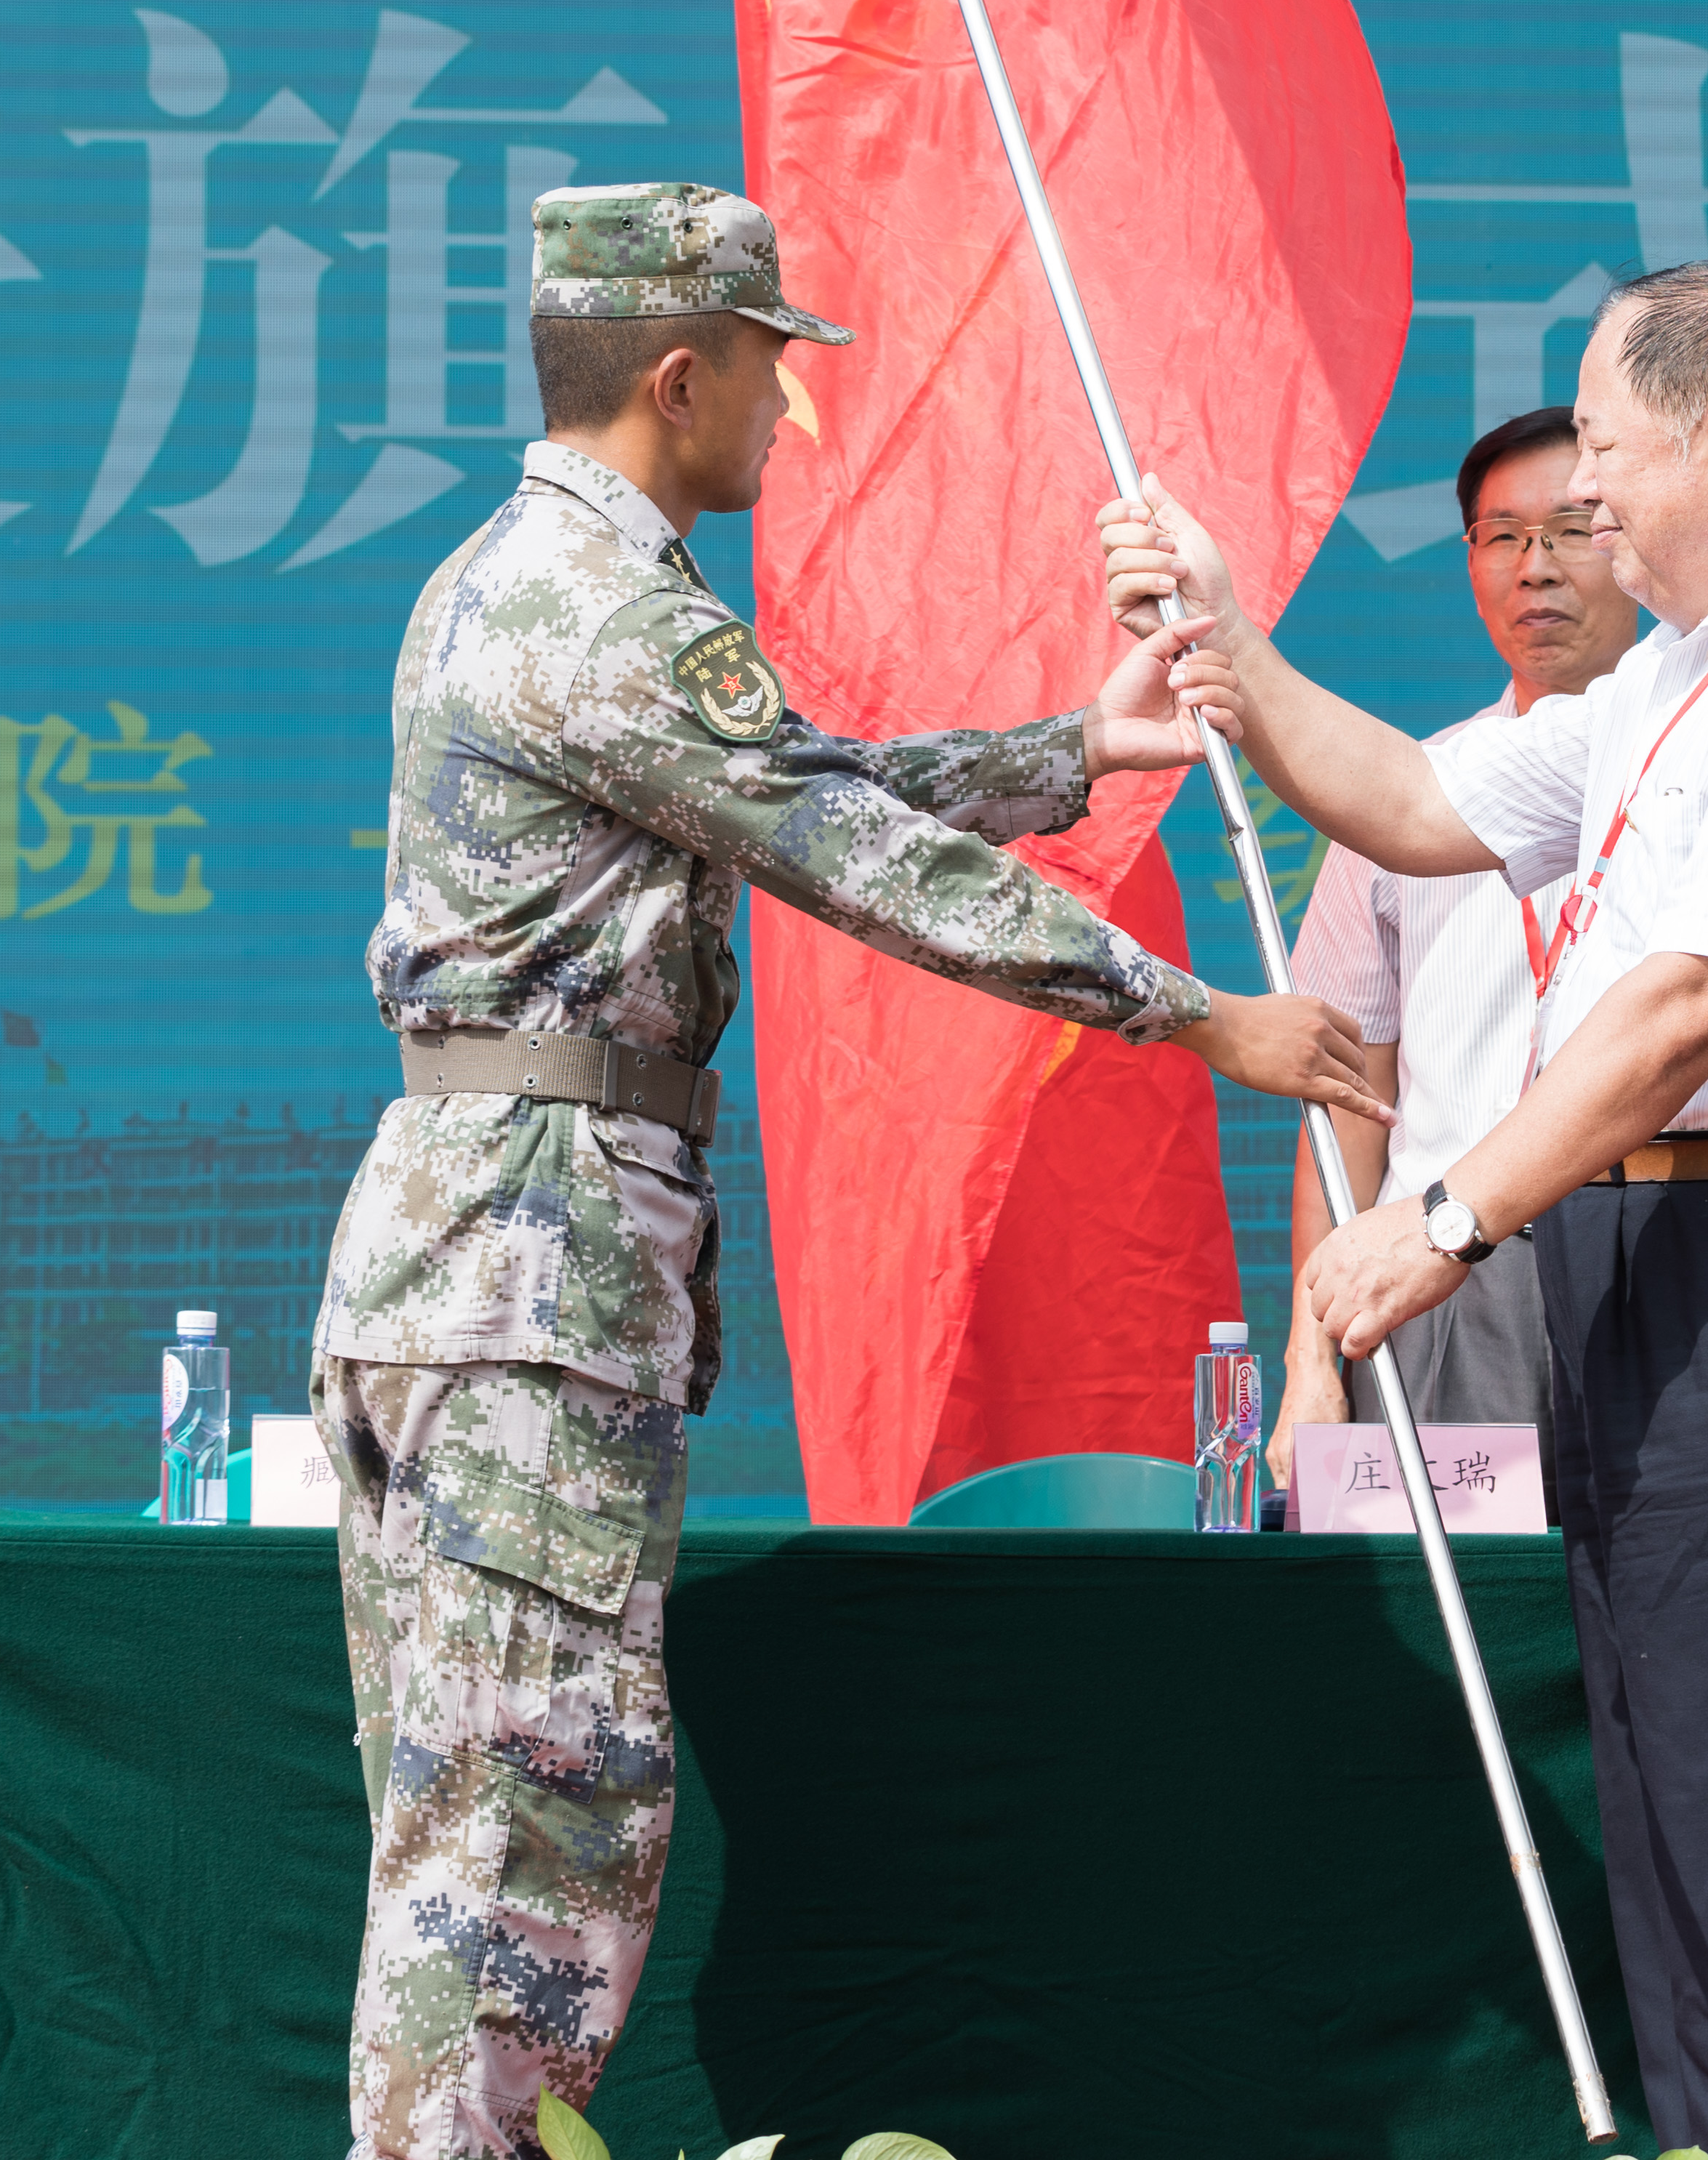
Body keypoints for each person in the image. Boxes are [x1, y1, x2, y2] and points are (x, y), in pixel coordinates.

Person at [313, 180, 1385, 2160]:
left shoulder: (517, 584)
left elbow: (786, 790)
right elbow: (851, 853)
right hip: (531, 1270)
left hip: (467, 1251)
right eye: (766, 369)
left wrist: (1077, 750)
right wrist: (1195, 1014)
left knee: (466, 1825)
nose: (784, 410)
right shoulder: (612, 611)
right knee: (522, 1839)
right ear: (677, 375)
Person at [1103, 260, 1708, 2160]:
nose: (1582, 493)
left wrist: (1443, 1217)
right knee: (1685, 1818)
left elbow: (1690, 1008)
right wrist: (1227, 637)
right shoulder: (1674, 681)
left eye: (1603, 445)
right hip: (1668, 1260)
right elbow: (1411, 801)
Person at [1272, 404, 1643, 1504]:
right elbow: (1346, 1107)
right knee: (1462, 1606)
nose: (1537, 568)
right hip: (1443, 1280)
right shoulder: (1399, 806)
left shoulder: (1702, 776)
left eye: (1571, 530)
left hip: (1659, 1262)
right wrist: (1309, 1362)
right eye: (1503, 537)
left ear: (1634, 542)